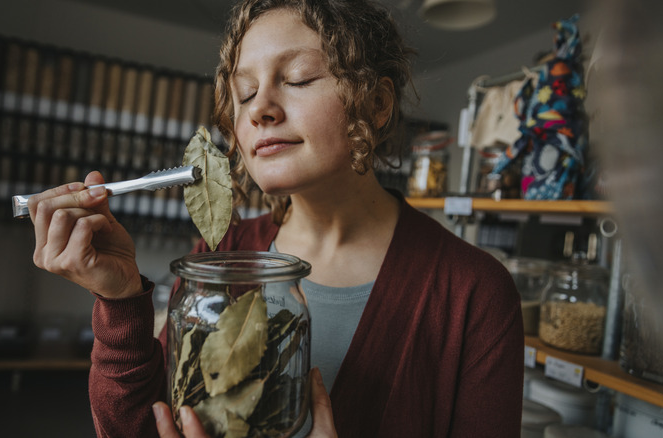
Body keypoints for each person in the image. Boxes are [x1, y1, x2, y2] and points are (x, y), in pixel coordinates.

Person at [27, 0, 524, 436]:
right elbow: (140, 429)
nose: (260, 109)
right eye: (243, 94)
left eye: (298, 79)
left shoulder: (474, 293)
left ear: (375, 104)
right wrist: (119, 300)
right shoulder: (222, 258)